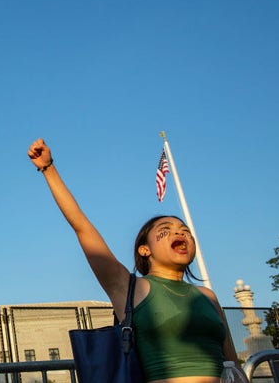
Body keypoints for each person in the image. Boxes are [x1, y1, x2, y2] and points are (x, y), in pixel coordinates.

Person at [27, 138, 243, 383]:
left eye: (184, 230)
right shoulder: (130, 288)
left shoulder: (208, 297)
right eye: (166, 228)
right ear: (144, 249)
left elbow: (233, 365)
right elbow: (82, 226)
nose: (180, 232)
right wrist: (48, 168)